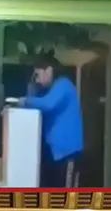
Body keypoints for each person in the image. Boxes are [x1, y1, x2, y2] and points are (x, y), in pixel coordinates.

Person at [16, 54, 83, 188]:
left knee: (65, 193)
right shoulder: (49, 90)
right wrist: (32, 88)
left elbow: (48, 104)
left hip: (66, 152)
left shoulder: (63, 84)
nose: (37, 80)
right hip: (54, 153)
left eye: (38, 75)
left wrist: (25, 101)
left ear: (49, 70)